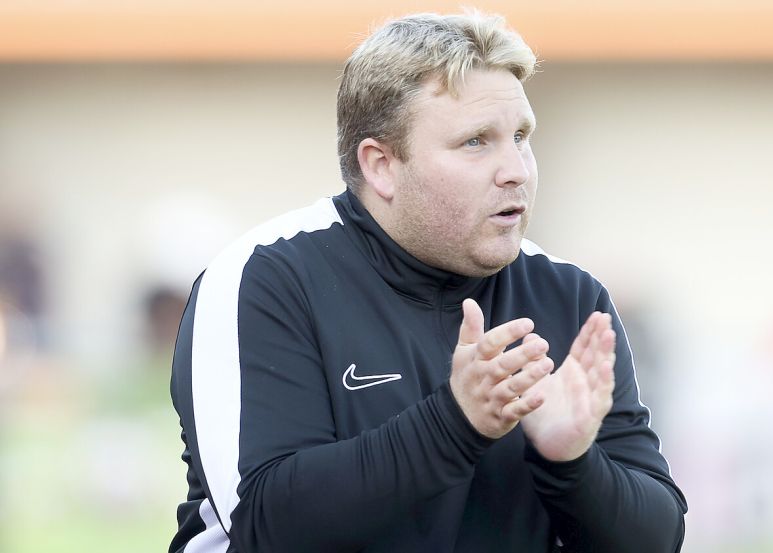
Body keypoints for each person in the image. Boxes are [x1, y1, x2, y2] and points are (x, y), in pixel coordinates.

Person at [169, 11, 686, 553]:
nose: (517, 170)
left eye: (521, 136)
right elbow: (265, 524)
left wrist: (572, 463)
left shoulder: (569, 295)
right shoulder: (264, 279)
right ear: (381, 166)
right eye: (475, 142)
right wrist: (456, 423)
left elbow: (657, 539)